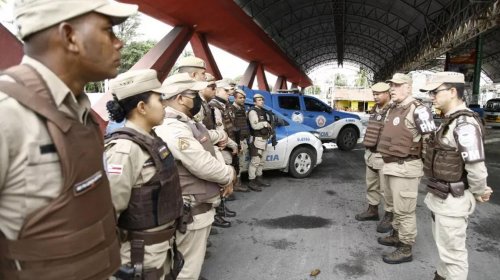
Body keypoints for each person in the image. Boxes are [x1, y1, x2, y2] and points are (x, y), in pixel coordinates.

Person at [0, 1, 137, 279]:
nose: (119, 43)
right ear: (70, 36)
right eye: (108, 31)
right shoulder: (8, 115)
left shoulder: (77, 110)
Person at [104, 69, 184, 280]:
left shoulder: (151, 139)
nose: (165, 105)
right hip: (140, 254)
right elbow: (109, 211)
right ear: (141, 107)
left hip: (160, 248)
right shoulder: (124, 149)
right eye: (159, 99)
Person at [155, 73, 236, 280]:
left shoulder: (187, 122)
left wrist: (224, 175)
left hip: (198, 205)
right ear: (180, 98)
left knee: (188, 264)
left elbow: (209, 147)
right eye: (194, 94)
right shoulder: (173, 127)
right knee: (187, 270)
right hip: (190, 209)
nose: (198, 97)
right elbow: (200, 163)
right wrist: (228, 174)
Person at [420, 72, 493, 280]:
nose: (432, 96)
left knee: (454, 257)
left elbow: (476, 167)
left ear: (453, 91)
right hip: (442, 198)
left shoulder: (464, 125)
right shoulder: (450, 121)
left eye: (436, 91)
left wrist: (480, 191)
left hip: (453, 201)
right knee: (445, 252)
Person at [376, 73, 436, 264]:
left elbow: (431, 141)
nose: (392, 89)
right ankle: (396, 235)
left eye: (397, 85)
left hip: (406, 167)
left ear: (409, 87)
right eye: (391, 85)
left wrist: (427, 169)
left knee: (405, 211)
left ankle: (405, 248)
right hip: (391, 166)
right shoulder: (394, 108)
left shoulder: (419, 110)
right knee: (393, 206)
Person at [355, 82, 394, 233]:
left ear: (387, 93)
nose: (375, 97)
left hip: (383, 155)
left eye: (378, 94)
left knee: (386, 189)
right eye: (374, 94)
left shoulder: (393, 110)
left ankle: (390, 216)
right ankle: (372, 210)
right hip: (371, 153)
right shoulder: (375, 109)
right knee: (371, 184)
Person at [247, 93, 274, 190]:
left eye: (262, 100)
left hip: (264, 140)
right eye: (259, 100)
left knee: (261, 162)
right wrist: (264, 123)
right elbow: (255, 126)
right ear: (254, 101)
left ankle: (259, 178)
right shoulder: (253, 112)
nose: (261, 101)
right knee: (255, 162)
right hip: (256, 140)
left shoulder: (262, 111)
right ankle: (252, 181)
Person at [231, 88, 251, 192]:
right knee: (238, 163)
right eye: (240, 97)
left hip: (243, 139)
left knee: (242, 162)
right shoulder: (232, 110)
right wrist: (238, 143)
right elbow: (233, 128)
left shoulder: (242, 109)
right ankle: (236, 184)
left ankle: (238, 182)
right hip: (238, 140)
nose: (243, 99)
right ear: (235, 98)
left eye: (244, 97)